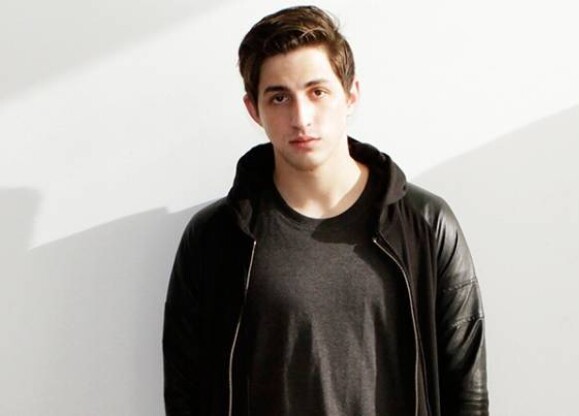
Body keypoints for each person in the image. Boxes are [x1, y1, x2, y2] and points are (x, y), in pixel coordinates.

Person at [162, 5, 488, 416]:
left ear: (350, 95)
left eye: (317, 92)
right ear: (253, 109)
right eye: (279, 97)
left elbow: (467, 391)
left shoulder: (427, 224)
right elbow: (186, 392)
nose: (301, 118)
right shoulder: (216, 236)